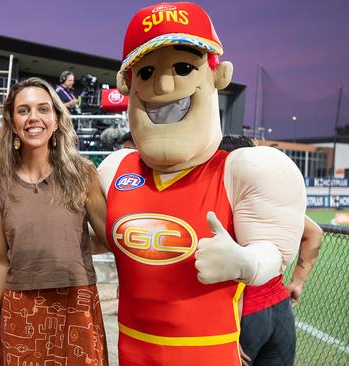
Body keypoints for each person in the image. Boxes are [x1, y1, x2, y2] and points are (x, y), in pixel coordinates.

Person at [97, 3, 306, 365]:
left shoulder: (241, 169)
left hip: (207, 352)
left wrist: (245, 263)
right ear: (127, 84)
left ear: (218, 75)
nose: (163, 84)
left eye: (182, 68)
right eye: (146, 71)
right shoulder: (116, 169)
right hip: (132, 349)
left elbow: (272, 251)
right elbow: (93, 235)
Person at [0, 77, 109, 365]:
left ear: (56, 120)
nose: (33, 118)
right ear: (12, 122)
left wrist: (65, 249)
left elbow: (109, 240)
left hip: (76, 304)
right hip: (20, 309)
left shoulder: (83, 173)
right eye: (24, 110)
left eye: (43, 109)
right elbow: (1, 261)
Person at [218, 135, 324, 366]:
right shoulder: (263, 203)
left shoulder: (221, 203)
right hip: (280, 310)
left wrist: (225, 335)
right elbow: (314, 233)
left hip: (243, 317)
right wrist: (297, 282)